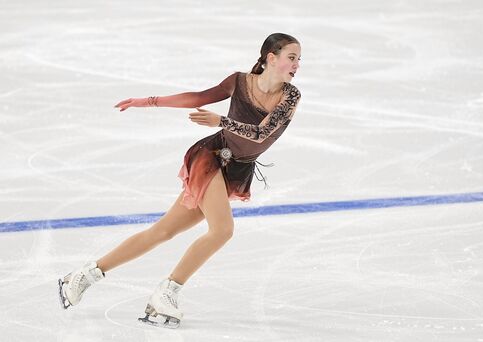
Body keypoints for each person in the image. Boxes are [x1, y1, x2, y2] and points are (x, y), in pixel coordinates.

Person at [57, 33, 301, 328]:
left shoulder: (290, 96)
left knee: (162, 231)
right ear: (271, 58)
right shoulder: (238, 81)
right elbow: (198, 98)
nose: (297, 64)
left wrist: (221, 121)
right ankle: (168, 291)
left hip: (237, 169)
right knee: (222, 230)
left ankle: (83, 276)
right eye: (292, 57)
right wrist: (148, 101)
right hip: (211, 157)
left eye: (299, 59)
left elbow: (262, 133)